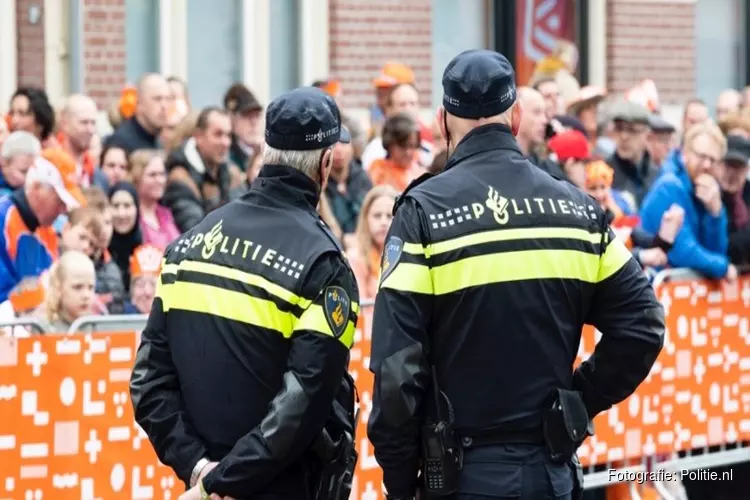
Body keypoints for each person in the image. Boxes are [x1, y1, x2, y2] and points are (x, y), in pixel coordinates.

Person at [367, 49, 665, 500]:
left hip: (461, 475)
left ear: (442, 120)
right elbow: (643, 325)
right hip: (550, 471)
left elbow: (396, 370)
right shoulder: (577, 208)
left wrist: (400, 475)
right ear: (516, 115)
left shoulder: (423, 212)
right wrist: (578, 399)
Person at [130, 86, 360, 500]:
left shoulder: (189, 243)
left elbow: (149, 384)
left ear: (266, 150)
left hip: (202, 481)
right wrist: (223, 481)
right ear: (326, 163)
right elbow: (304, 403)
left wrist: (200, 469)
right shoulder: (323, 263)